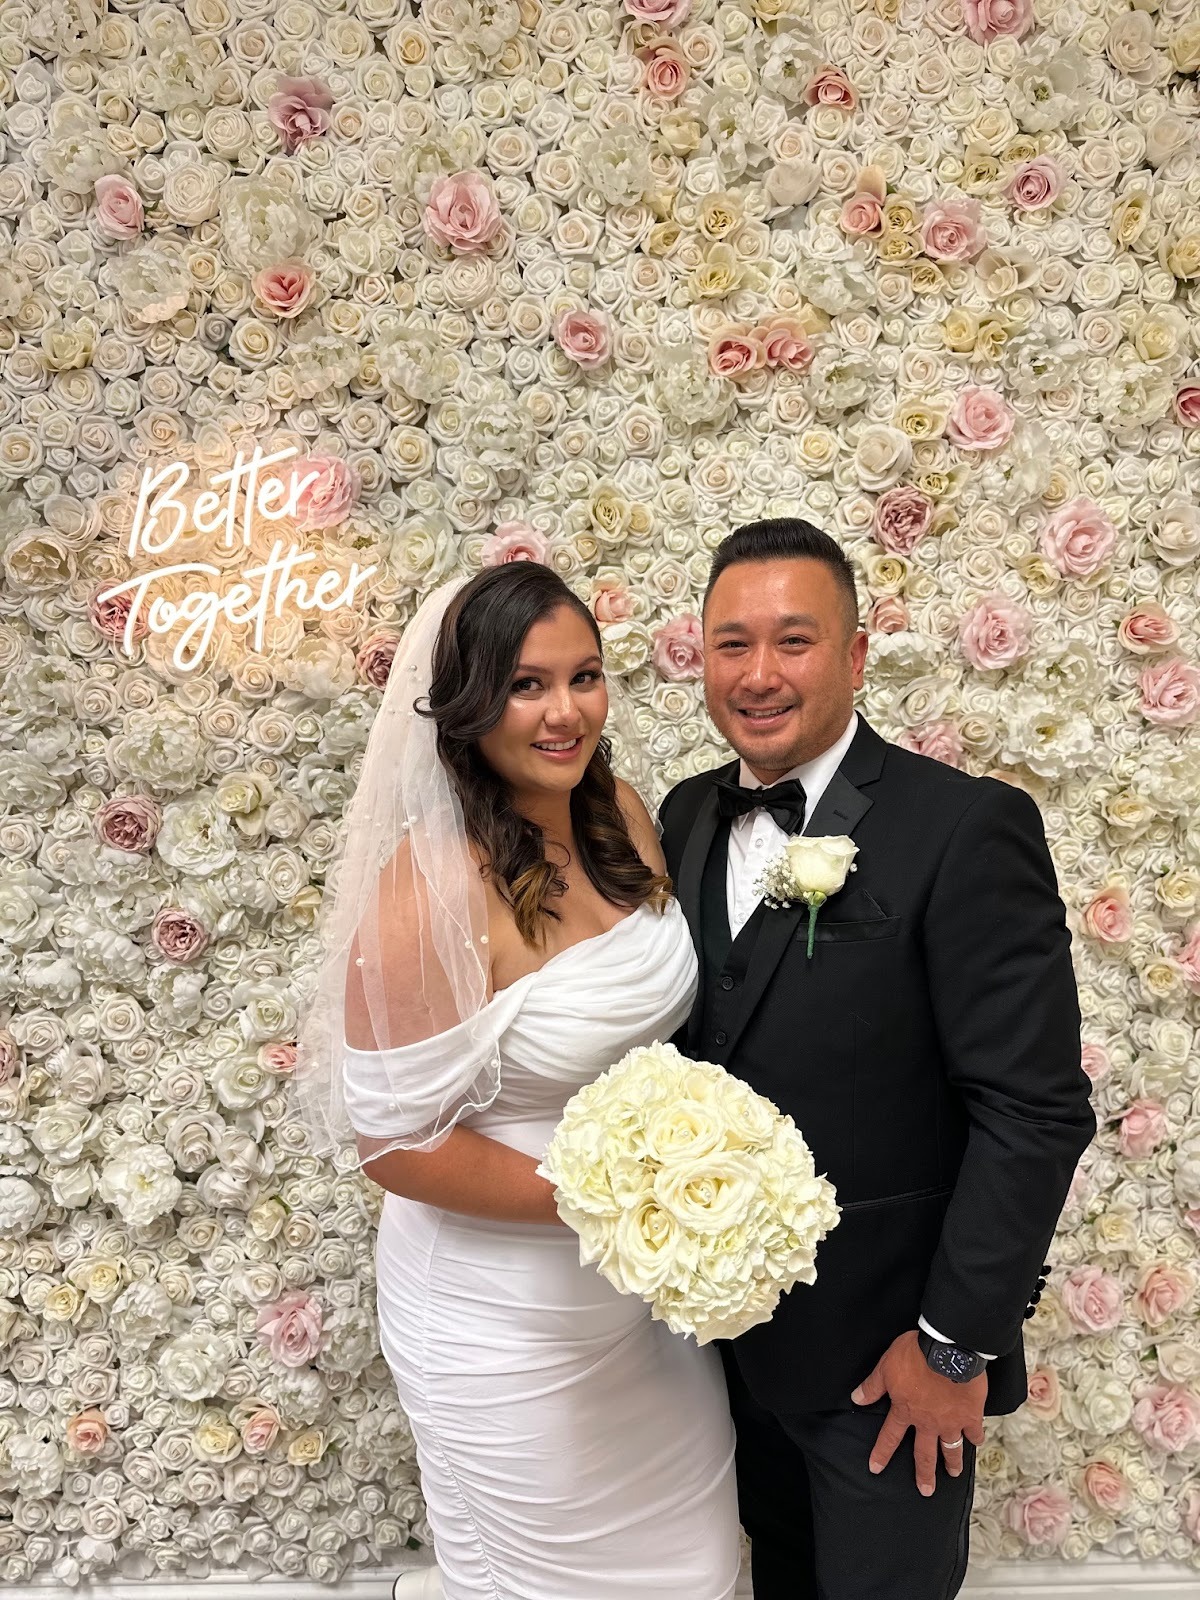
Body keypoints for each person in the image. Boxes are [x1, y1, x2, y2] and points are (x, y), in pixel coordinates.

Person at [658, 518, 1095, 1600]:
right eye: (731, 643)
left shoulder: (967, 827)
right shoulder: (680, 814)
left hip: (890, 1373)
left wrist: (953, 1348)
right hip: (718, 1361)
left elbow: (1034, 1109)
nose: (759, 674)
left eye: (795, 641)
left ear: (855, 656)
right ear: (700, 657)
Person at [294, 563, 740, 1600]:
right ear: (467, 705)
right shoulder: (431, 890)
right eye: (527, 685)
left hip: (634, 1304)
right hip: (496, 1324)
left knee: (698, 1562)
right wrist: (631, 1201)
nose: (565, 710)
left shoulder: (618, 812)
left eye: (584, 676)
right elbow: (396, 1145)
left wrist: (693, 1189)